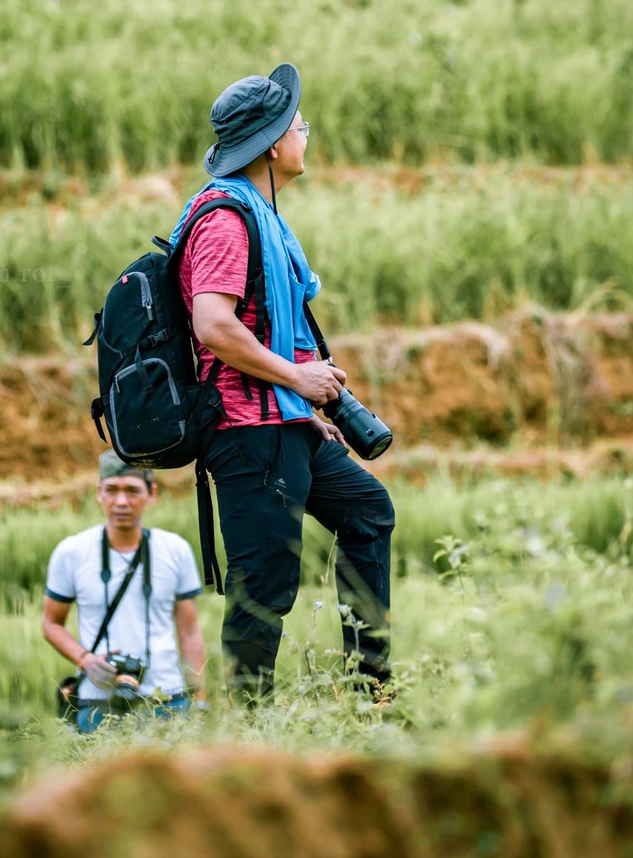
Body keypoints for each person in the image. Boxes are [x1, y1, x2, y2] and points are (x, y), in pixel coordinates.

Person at [170, 62, 394, 702]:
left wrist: (302, 397)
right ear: (272, 142)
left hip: (282, 419)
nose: (306, 134)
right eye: (299, 125)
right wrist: (298, 375)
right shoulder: (225, 219)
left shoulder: (260, 215)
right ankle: (249, 735)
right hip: (248, 430)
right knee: (264, 588)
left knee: (368, 512)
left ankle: (368, 692)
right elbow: (213, 324)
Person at [42, 450, 208, 733]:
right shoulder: (71, 552)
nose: (121, 501)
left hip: (166, 698)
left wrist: (201, 701)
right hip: (97, 702)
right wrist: (85, 660)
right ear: (99, 493)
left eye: (132, 490)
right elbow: (51, 623)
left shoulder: (175, 550)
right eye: (112, 490)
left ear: (151, 494)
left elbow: (190, 632)